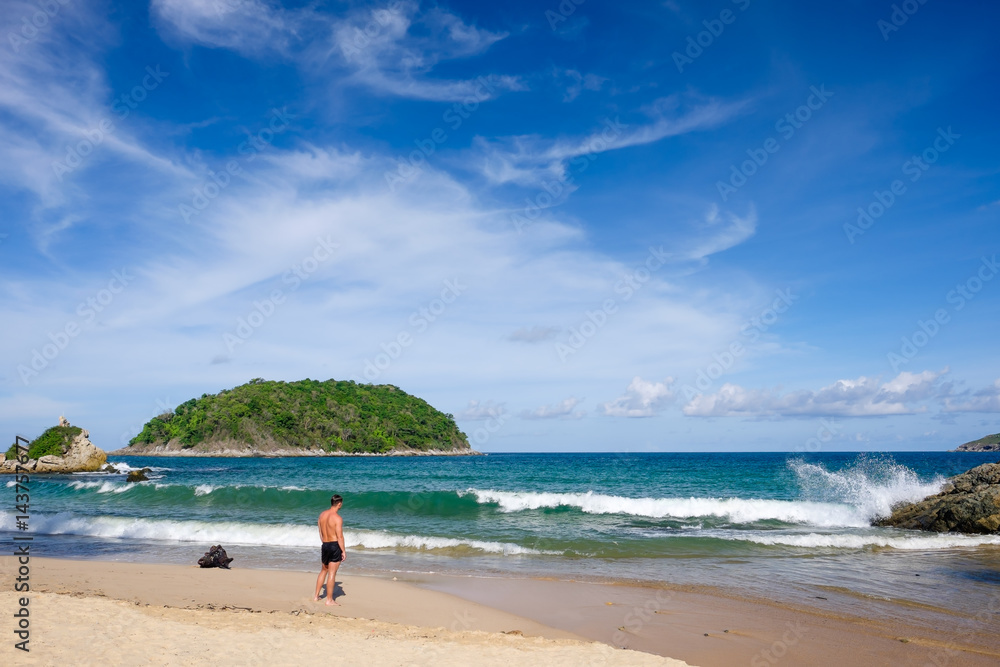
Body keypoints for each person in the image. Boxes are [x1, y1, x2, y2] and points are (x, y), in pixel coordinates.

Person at [314, 494, 346, 606]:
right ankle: (329, 600)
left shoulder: (322, 515)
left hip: (325, 544)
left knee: (323, 570)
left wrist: (325, 543)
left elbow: (320, 533)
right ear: (339, 504)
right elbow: (340, 537)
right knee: (332, 573)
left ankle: (316, 596)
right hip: (334, 545)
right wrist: (343, 551)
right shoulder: (337, 518)